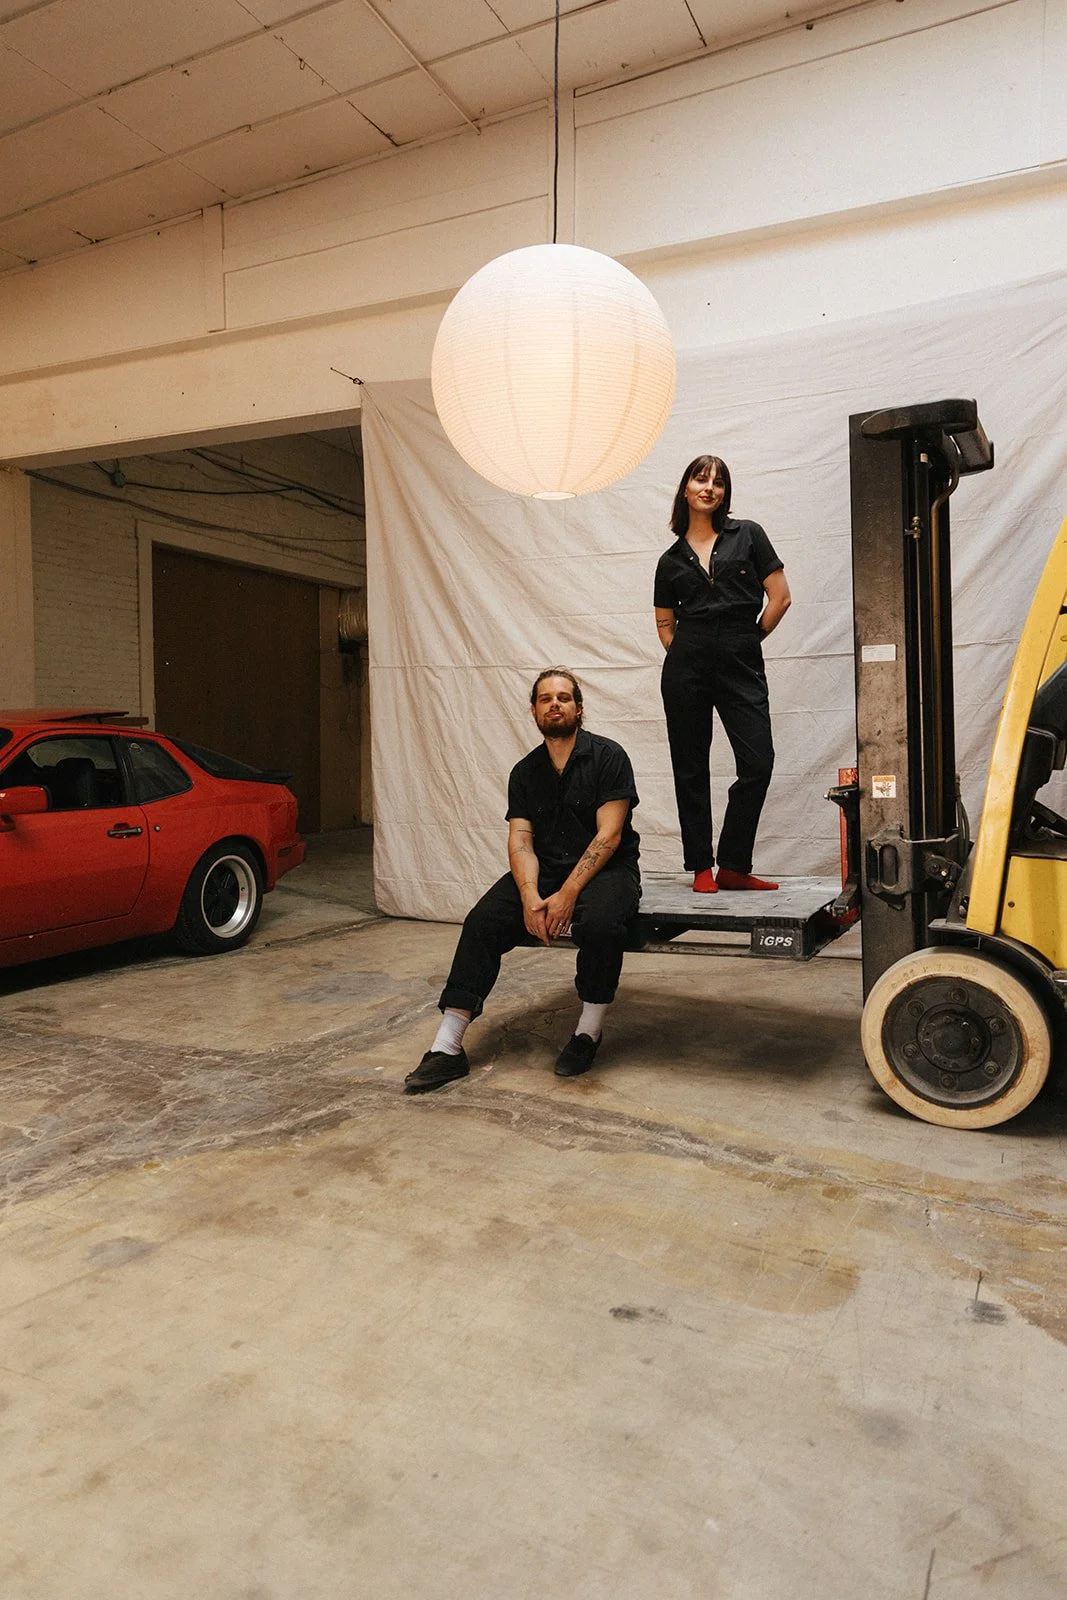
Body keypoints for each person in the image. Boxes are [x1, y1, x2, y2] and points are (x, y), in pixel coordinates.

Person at [404, 669, 641, 1094]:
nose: (555, 704)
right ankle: (447, 1047)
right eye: (545, 698)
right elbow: (521, 840)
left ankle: (588, 1032)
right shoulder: (525, 771)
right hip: (545, 869)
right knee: (482, 922)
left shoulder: (609, 757)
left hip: (608, 870)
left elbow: (609, 836)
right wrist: (531, 896)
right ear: (533, 710)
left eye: (564, 697)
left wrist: (568, 893)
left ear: (579, 708)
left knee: (601, 924)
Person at [654, 455, 791, 894]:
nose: (709, 487)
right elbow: (664, 622)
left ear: (725, 493)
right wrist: (688, 654)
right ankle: (700, 867)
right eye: (701, 479)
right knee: (690, 766)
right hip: (687, 666)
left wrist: (747, 640)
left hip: (740, 659)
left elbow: (780, 597)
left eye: (718, 482)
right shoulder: (670, 560)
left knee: (758, 762)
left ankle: (732, 864)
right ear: (686, 488)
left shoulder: (748, 535)